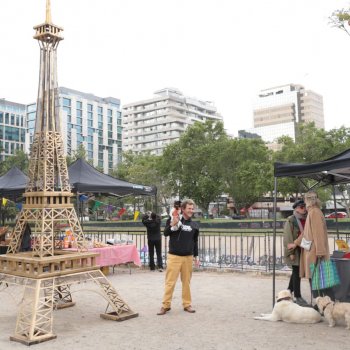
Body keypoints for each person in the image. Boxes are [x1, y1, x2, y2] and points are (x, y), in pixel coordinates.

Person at [157, 199, 199, 315]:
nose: (191, 211)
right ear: (183, 209)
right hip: (174, 256)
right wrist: (173, 224)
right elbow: (165, 233)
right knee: (170, 282)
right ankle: (166, 305)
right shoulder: (173, 219)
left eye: (192, 208)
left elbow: (195, 242)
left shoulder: (194, 225)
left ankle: (187, 304)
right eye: (189, 208)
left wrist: (196, 256)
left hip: (188, 257)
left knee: (186, 282)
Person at [289, 191, 334, 299]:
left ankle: (325, 305)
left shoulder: (315, 213)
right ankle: (322, 305)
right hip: (313, 251)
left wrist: (320, 252)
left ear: (308, 200)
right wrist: (295, 243)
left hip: (315, 253)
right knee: (318, 281)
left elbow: (318, 234)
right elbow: (306, 232)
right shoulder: (313, 212)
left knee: (319, 281)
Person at [283, 199, 308, 306]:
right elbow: (288, 238)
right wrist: (291, 252)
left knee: (296, 272)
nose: (304, 209)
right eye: (302, 207)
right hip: (295, 250)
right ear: (296, 208)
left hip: (303, 249)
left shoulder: (306, 219)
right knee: (297, 273)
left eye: (305, 207)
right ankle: (297, 296)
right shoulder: (291, 220)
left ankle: (288, 291)